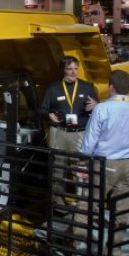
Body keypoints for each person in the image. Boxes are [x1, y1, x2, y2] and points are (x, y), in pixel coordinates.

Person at [72, 70, 129, 256]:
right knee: (121, 211)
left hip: (105, 164)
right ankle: (114, 250)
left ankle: (78, 244)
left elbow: (90, 142)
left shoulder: (102, 109)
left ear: (111, 87)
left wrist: (83, 161)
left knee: (88, 204)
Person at [38, 55, 99, 209]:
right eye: (69, 69)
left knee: (80, 169)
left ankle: (82, 203)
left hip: (79, 133)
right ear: (63, 70)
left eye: (75, 69)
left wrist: (96, 105)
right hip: (59, 132)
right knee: (57, 169)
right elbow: (42, 109)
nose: (73, 72)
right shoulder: (53, 88)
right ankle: (58, 203)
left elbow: (99, 108)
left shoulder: (87, 87)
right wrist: (48, 115)